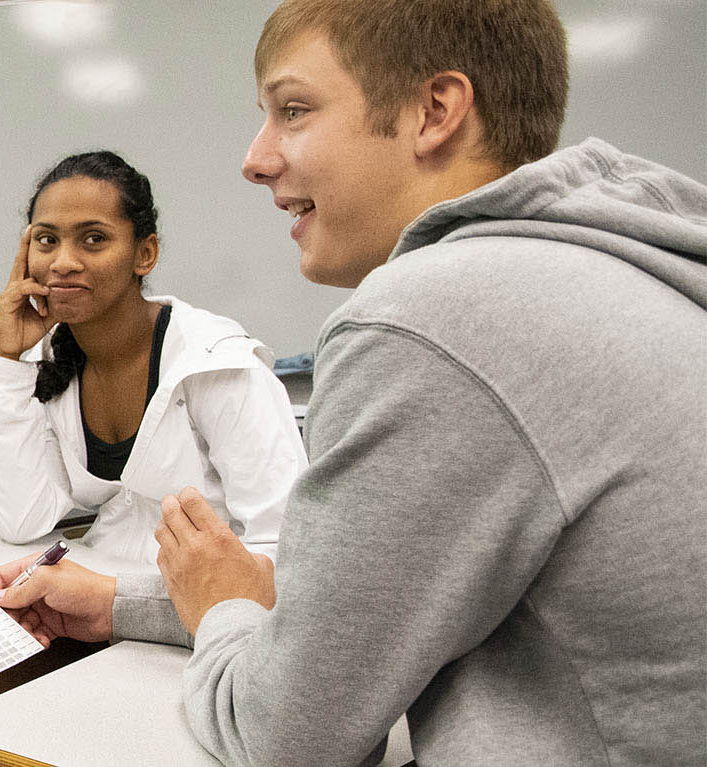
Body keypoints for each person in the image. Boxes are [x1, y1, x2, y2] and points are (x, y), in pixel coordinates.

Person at [134, 0, 707, 763]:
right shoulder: (616, 269)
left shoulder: (431, 316)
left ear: (434, 112)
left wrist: (220, 611)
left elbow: (285, 737)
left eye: (293, 110)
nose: (257, 158)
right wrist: (117, 605)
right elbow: (367, 603)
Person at [0, 151, 306, 767]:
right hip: (100, 611)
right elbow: (23, 518)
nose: (62, 261)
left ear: (145, 254)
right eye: (45, 239)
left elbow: (289, 564)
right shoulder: (55, 358)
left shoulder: (218, 366)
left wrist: (113, 595)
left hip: (212, 631)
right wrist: (5, 361)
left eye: (93, 239)